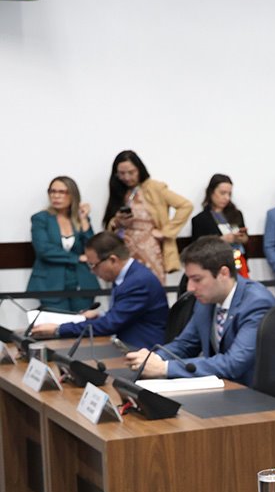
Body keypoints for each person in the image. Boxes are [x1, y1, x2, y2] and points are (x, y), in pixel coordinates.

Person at [126, 238, 275, 386]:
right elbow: (185, 344)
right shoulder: (207, 300)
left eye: (197, 279)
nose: (190, 288)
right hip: (221, 387)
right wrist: (154, 359)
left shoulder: (256, 303)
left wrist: (164, 368)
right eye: (189, 279)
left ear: (223, 273)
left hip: (252, 392)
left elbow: (233, 363)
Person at [32, 232, 168, 349]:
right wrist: (101, 315)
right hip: (126, 344)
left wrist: (58, 329)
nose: (92, 271)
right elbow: (123, 315)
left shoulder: (138, 282)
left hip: (142, 349)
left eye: (93, 265)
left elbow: (109, 325)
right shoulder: (128, 275)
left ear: (113, 260)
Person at [102, 150, 193, 283]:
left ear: (140, 169)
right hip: (124, 249)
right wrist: (116, 222)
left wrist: (166, 232)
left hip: (150, 249)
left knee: (152, 284)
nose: (127, 177)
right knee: (127, 286)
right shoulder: (119, 191)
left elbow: (186, 205)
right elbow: (109, 224)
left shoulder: (154, 188)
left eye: (131, 172)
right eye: (121, 173)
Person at [27, 176, 99, 312]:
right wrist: (77, 258)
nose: (56, 196)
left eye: (62, 192)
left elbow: (93, 248)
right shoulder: (41, 218)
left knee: (83, 321)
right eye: (52, 191)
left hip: (81, 281)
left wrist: (84, 220)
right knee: (57, 322)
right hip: (51, 282)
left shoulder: (80, 218)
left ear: (73, 195)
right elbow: (44, 250)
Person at [190, 174, 250, 277]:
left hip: (238, 262)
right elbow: (197, 249)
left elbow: (245, 240)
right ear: (211, 192)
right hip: (214, 266)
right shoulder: (200, 219)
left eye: (229, 194)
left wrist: (242, 238)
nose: (226, 198)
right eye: (222, 193)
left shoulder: (236, 214)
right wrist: (221, 240)